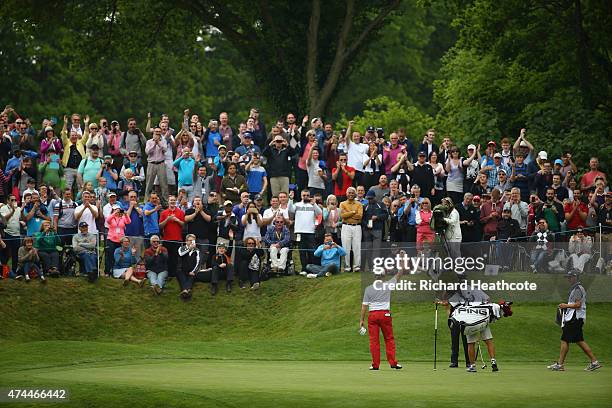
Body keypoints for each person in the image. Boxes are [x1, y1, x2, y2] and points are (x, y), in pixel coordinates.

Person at [547, 270, 601, 372]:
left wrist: (565, 305)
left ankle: (560, 364)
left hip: (574, 319)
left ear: (575, 277)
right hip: (575, 318)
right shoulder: (576, 288)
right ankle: (594, 362)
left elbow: (577, 305)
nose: (568, 279)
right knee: (579, 341)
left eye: (570, 277)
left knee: (565, 339)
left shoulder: (577, 289)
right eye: (568, 277)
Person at [359, 259, 404, 371]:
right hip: (385, 315)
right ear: (383, 276)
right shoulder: (388, 284)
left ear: (375, 276)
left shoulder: (368, 289)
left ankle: (375, 365)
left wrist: (361, 320)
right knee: (389, 339)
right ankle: (393, 363)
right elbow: (399, 273)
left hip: (373, 315)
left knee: (374, 341)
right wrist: (402, 260)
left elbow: (364, 306)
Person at [294, 189, 322, 274]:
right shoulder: (297, 204)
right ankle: (303, 269)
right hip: (299, 231)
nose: (305, 197)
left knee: (311, 251)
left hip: (310, 231)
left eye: (307, 195)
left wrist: (314, 204)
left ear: (309, 196)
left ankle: (311, 269)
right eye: (304, 195)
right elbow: (290, 210)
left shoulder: (313, 205)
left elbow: (319, 213)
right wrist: (291, 199)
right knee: (302, 251)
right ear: (301, 196)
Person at [159, 195, 185, 277]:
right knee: (167, 258)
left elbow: (183, 225)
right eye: (171, 200)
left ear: (176, 201)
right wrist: (167, 219)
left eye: (174, 200)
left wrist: (177, 220)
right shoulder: (164, 212)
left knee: (175, 258)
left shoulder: (180, 212)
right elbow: (160, 226)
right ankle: (167, 274)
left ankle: (174, 274)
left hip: (177, 239)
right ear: (168, 201)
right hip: (167, 239)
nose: (172, 202)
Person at [361, 190, 386, 271]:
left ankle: (376, 266)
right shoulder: (365, 206)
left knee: (376, 249)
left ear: (375, 197)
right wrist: (366, 224)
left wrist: (377, 217)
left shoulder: (381, 205)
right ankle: (370, 267)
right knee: (368, 248)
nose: (370, 200)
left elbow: (386, 215)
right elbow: (362, 219)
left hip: (377, 229)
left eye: (371, 198)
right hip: (367, 230)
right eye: (368, 198)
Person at [340, 187, 363, 272]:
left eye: (352, 193)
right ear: (346, 194)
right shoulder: (342, 204)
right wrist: (353, 212)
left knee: (357, 246)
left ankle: (357, 266)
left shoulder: (359, 204)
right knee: (346, 247)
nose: (350, 194)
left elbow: (360, 216)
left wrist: (348, 213)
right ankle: (347, 267)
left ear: (355, 194)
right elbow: (342, 216)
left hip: (357, 226)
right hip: (346, 226)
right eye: (349, 192)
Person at [144, 127, 169, 204]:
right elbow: (147, 152)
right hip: (151, 164)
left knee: (164, 184)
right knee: (149, 184)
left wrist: (158, 143)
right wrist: (154, 143)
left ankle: (166, 202)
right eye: (156, 131)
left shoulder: (163, 141)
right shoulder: (149, 142)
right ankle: (147, 201)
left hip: (161, 164)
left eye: (159, 131)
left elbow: (165, 150)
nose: (157, 133)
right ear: (153, 133)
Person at [177, 234, 201, 300]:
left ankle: (185, 291)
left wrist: (193, 271)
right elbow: (181, 254)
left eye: (193, 240)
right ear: (186, 241)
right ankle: (187, 290)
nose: (191, 242)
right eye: (190, 240)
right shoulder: (181, 248)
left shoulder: (197, 250)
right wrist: (189, 249)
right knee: (182, 278)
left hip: (191, 271)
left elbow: (198, 262)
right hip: (181, 269)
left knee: (191, 278)